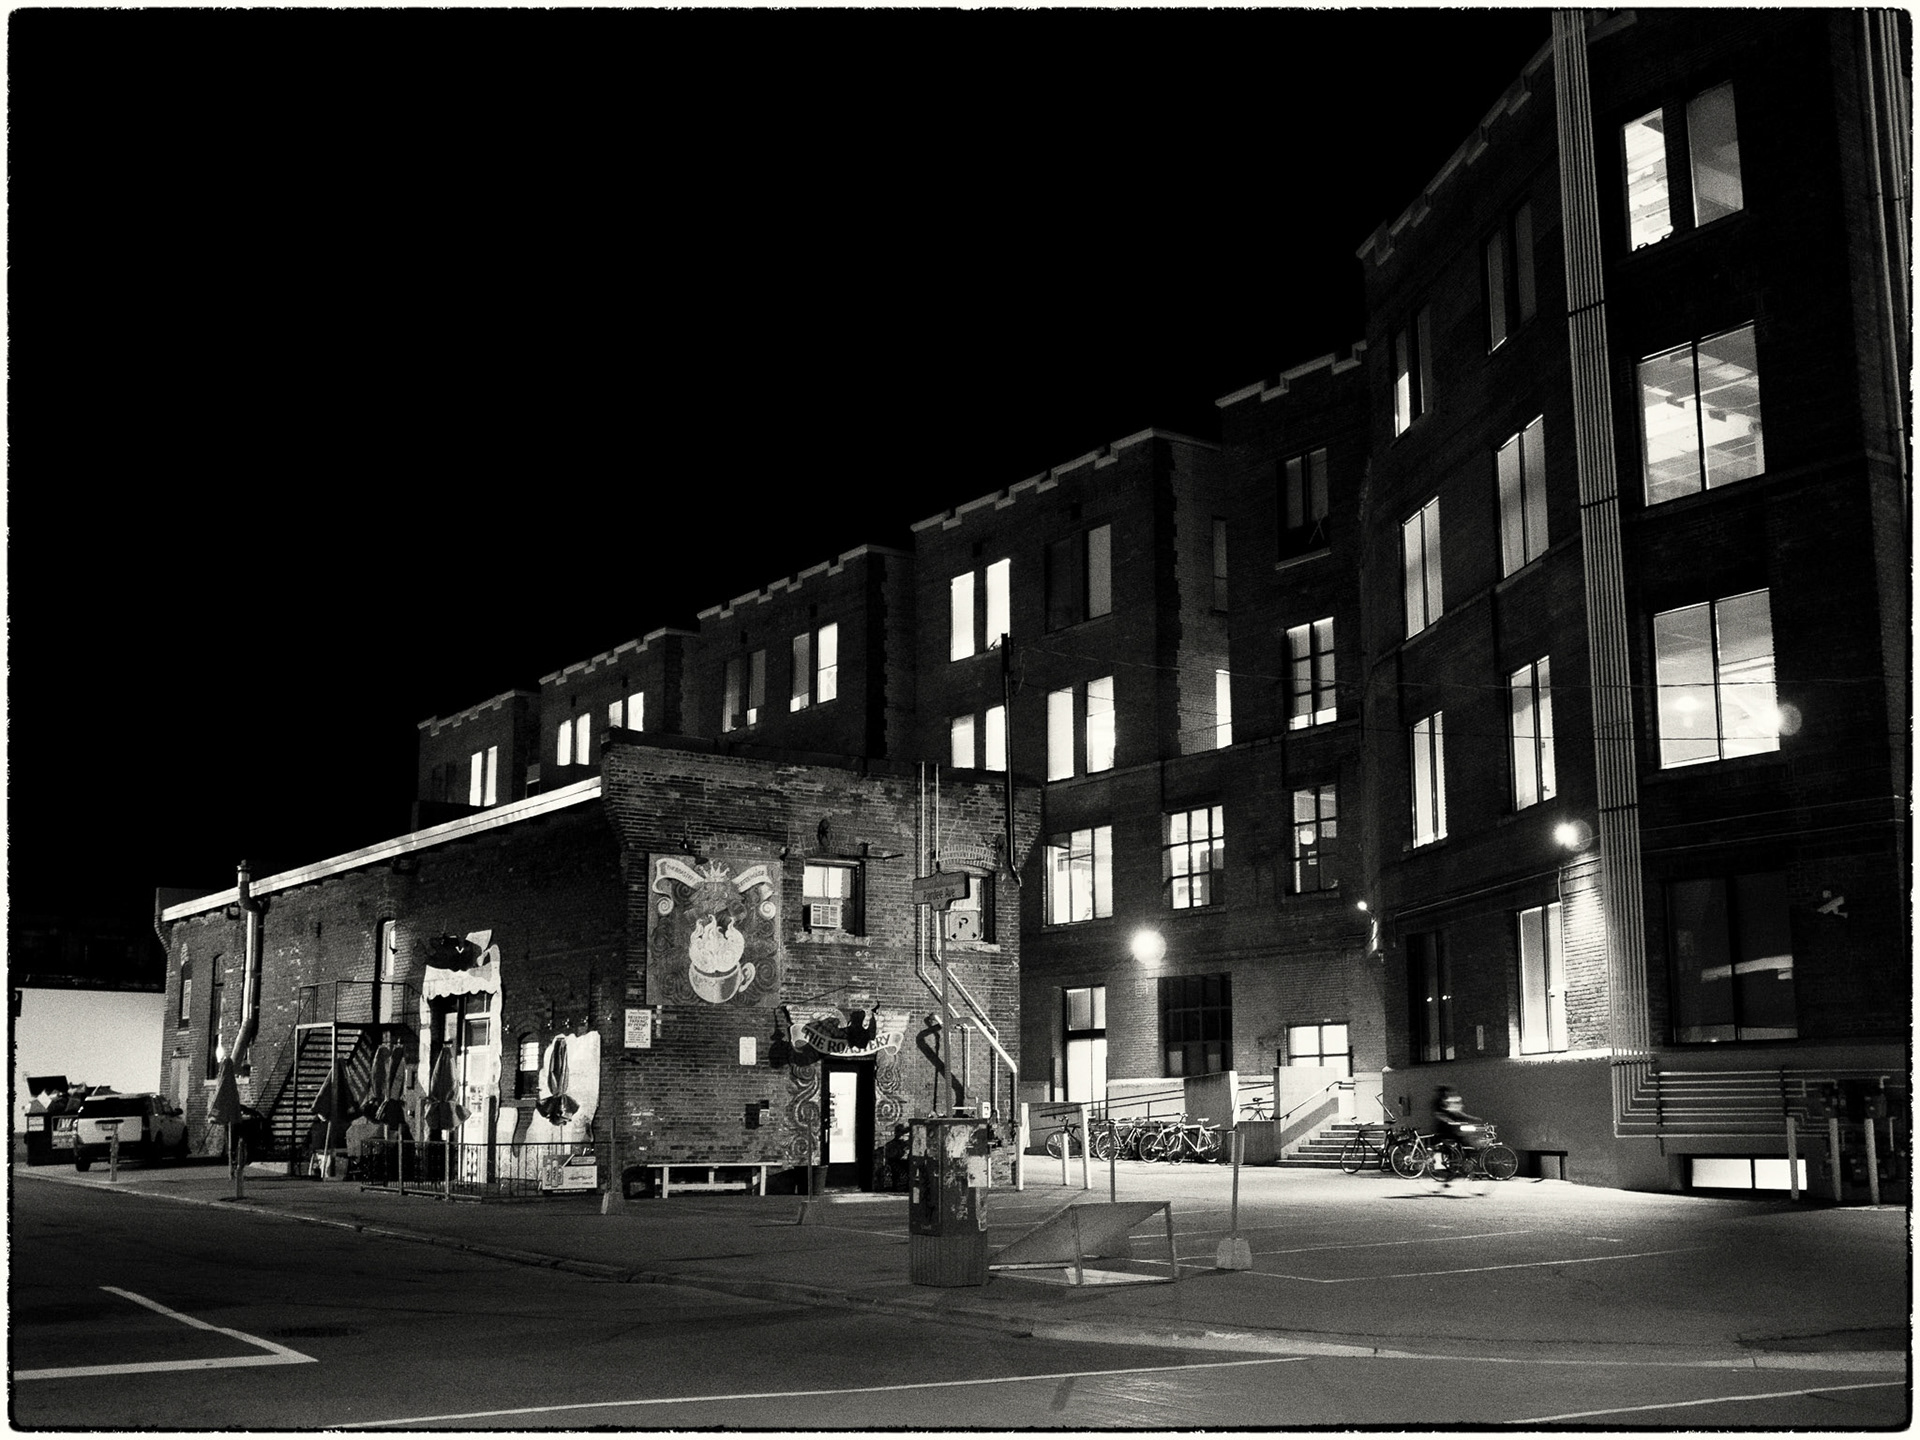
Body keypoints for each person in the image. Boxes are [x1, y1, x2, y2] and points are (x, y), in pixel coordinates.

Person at [1429, 1087, 1487, 1185]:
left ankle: (1463, 1165)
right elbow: (1440, 1115)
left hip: (1449, 1128)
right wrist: (1449, 1121)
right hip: (1444, 1130)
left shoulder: (1445, 1101)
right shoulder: (1438, 1102)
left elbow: (1456, 1113)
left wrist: (1470, 1118)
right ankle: (1460, 1167)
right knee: (1462, 1140)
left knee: (1463, 1141)